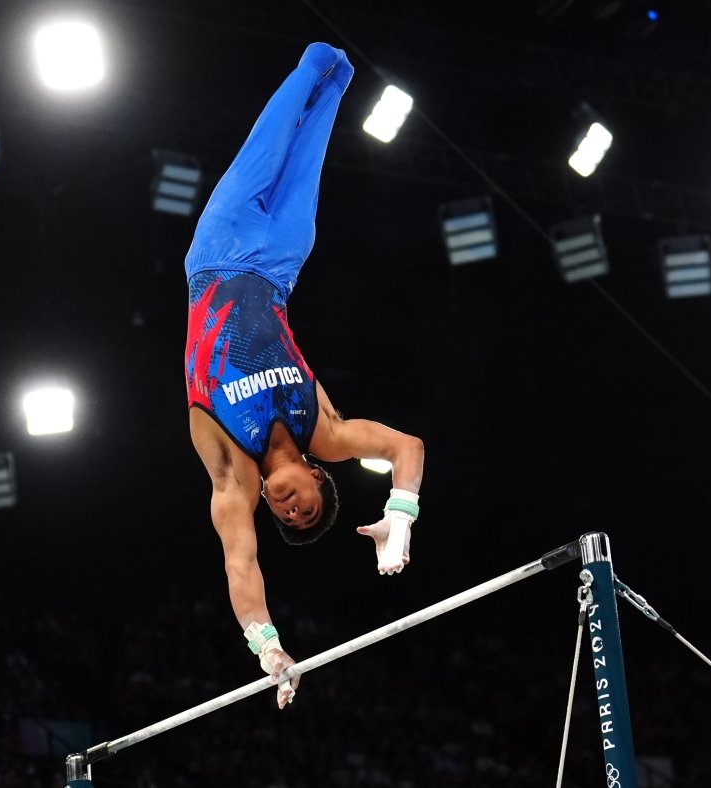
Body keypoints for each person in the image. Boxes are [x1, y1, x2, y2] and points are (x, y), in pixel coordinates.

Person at [183, 42, 425, 709]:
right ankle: (335, 73)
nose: (291, 507)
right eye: (307, 505)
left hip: (218, 252)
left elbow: (240, 562)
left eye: (286, 513)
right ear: (319, 475)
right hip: (284, 263)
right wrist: (398, 517)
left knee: (276, 129)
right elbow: (409, 448)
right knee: (325, 109)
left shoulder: (234, 472)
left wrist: (268, 645)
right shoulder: (328, 430)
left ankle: (312, 65)